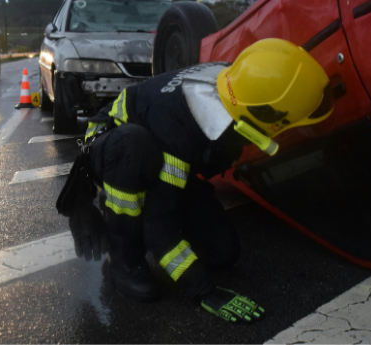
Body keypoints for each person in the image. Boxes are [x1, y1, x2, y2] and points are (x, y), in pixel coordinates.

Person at [56, 38, 335, 323]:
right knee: (134, 150)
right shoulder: (180, 129)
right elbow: (158, 230)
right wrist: (202, 290)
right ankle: (123, 259)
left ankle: (145, 198)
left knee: (223, 253)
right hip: (115, 147)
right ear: (267, 115)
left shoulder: (241, 81)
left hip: (159, 146)